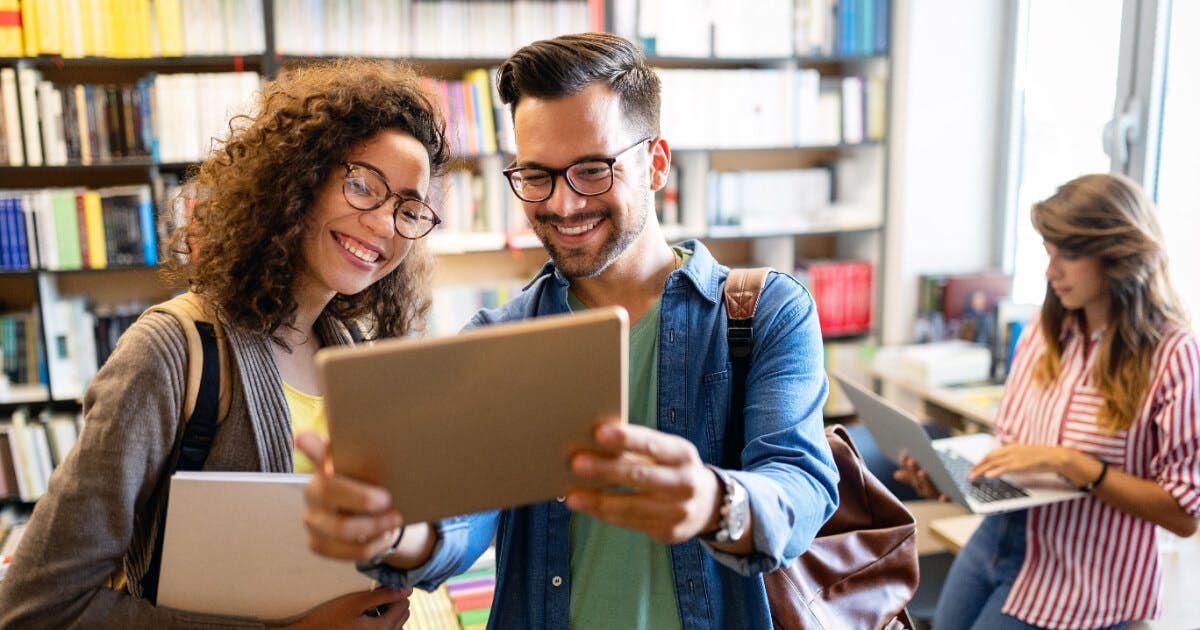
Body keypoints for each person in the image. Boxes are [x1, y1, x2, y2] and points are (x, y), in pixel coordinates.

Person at [297, 32, 839, 628]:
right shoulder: (495, 340)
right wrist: (393, 529)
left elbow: (801, 484)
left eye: (591, 170)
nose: (562, 204)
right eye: (537, 176)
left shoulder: (764, 312)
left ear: (656, 163)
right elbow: (462, 516)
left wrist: (716, 502)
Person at [0, 58, 449, 629]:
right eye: (363, 185)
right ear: (300, 176)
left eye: (408, 208)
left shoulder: (354, 357)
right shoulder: (168, 351)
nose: (385, 225)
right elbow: (39, 607)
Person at [897, 173, 1200, 630]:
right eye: (1048, 252)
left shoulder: (1174, 354)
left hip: (1086, 582)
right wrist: (956, 482)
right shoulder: (1045, 330)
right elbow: (1016, 450)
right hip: (998, 543)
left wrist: (1073, 464)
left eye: (1068, 255)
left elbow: (1182, 514)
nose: (1050, 271)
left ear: (1119, 256)